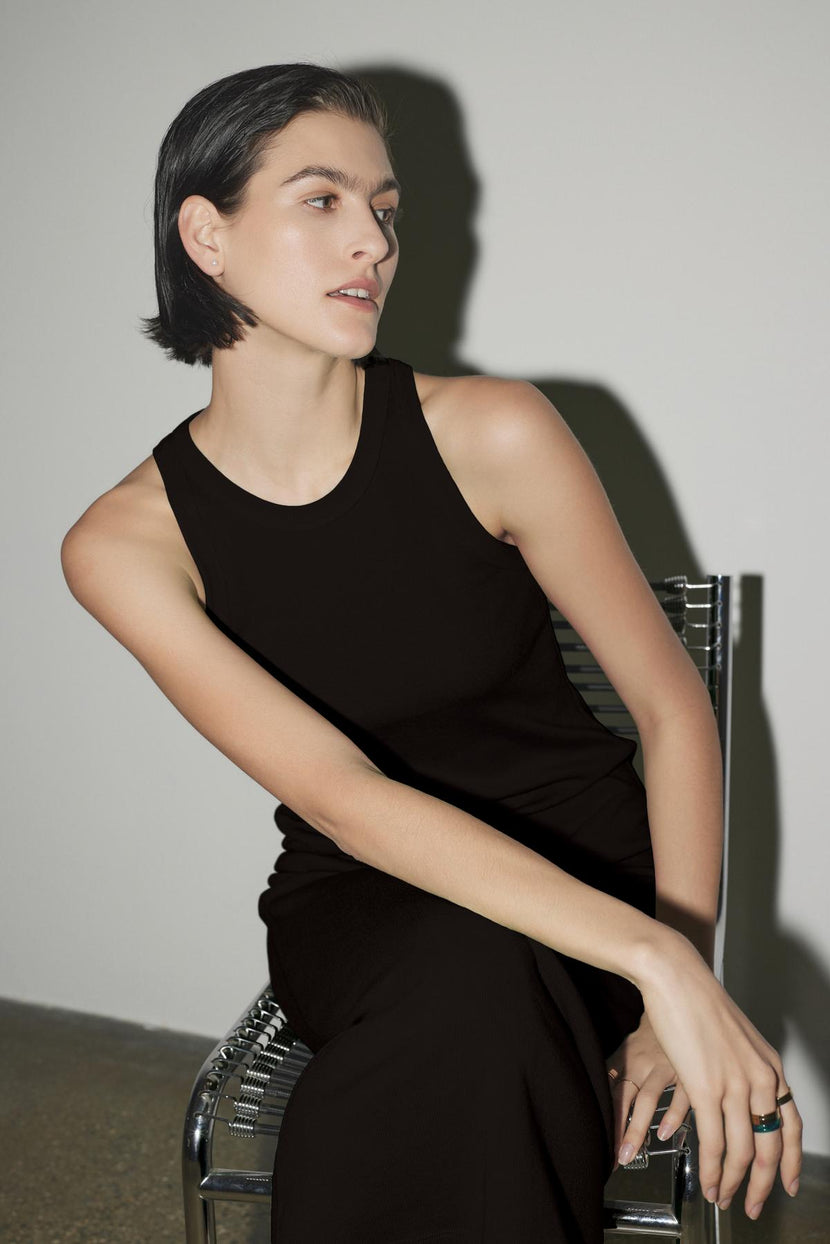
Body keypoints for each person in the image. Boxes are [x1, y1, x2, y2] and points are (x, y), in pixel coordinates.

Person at [60, 62, 802, 1243]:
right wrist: (659, 961)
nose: (371, 241)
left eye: (385, 208)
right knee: (459, 977)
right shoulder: (123, 542)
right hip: (364, 895)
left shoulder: (494, 431)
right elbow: (344, 798)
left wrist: (672, 967)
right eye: (322, 200)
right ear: (205, 233)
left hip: (593, 871)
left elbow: (670, 712)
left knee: (467, 1008)